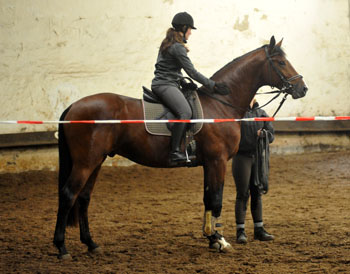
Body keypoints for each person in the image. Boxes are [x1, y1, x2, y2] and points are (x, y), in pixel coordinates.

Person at [151, 12, 230, 163]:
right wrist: (213, 85)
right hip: (165, 84)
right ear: (184, 28)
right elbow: (192, 71)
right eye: (190, 29)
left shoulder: (168, 42)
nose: (191, 33)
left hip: (168, 82)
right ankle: (174, 152)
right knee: (185, 112)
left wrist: (182, 81)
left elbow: (170, 69)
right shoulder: (177, 47)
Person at [232, 98, 275, 244]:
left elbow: (272, 135)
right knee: (243, 193)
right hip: (242, 157)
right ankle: (241, 231)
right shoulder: (238, 113)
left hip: (258, 157)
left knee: (257, 192)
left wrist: (264, 134)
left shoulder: (262, 113)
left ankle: (259, 229)